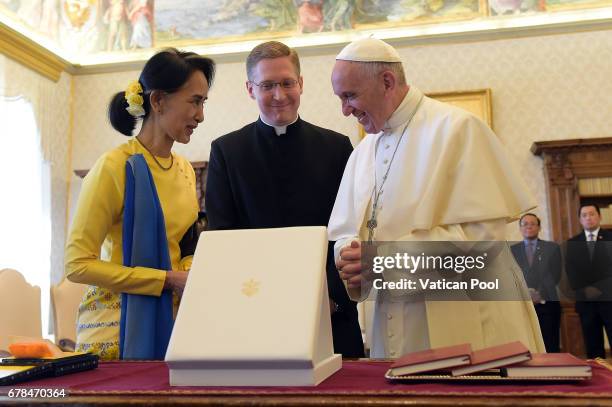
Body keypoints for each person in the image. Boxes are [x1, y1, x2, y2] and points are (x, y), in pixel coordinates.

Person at [328, 37, 545, 358]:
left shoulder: (458, 129)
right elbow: (346, 235)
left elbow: (479, 239)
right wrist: (350, 257)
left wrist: (384, 260)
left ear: (387, 81)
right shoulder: (362, 154)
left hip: (470, 316)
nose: (345, 110)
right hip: (392, 320)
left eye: (350, 96)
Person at [205, 41, 364, 358]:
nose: (279, 95)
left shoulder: (337, 147)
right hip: (255, 314)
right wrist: (260, 300)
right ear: (250, 89)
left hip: (330, 313)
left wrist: (330, 298)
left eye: (287, 83)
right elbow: (223, 237)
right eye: (267, 85)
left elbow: (349, 231)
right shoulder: (227, 151)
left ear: (301, 84)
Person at [65, 48, 215, 360]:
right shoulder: (114, 166)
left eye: (203, 103)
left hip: (173, 327)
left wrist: (189, 271)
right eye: (195, 101)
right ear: (158, 101)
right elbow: (77, 265)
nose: (201, 115)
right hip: (116, 332)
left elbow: (184, 241)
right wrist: (167, 280)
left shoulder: (185, 169)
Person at [565, 204, 612, 358]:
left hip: (609, 300)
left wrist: (600, 288)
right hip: (587, 303)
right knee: (593, 349)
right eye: (584, 215)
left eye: (591, 214)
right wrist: (585, 289)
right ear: (580, 219)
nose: (588, 218)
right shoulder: (573, 243)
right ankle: (601, 381)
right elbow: (571, 271)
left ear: (599, 216)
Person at [511, 213, 562, 352]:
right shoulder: (511, 250)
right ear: (520, 228)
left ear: (539, 227)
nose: (529, 226)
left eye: (533, 223)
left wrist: (540, 294)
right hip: (523, 306)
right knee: (526, 348)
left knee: (550, 347)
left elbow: (556, 275)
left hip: (547, 305)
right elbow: (511, 277)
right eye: (525, 224)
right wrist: (526, 294)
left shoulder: (552, 248)